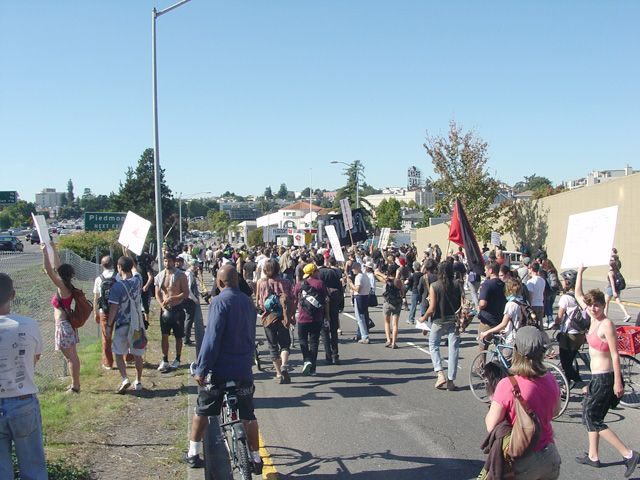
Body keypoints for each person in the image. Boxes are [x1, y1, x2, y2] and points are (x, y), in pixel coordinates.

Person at [184, 266, 263, 474]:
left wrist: (201, 369)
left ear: (219, 283)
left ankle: (193, 453)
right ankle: (256, 458)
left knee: (202, 409)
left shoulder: (219, 302)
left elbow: (212, 339)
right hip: (244, 370)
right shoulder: (248, 302)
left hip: (220, 371)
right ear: (238, 281)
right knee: (248, 414)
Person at [573, 265, 639, 477]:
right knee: (589, 415)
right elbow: (578, 294)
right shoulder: (592, 318)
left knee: (593, 418)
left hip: (605, 379)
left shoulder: (606, 324)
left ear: (603, 305)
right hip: (596, 378)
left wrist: (618, 382)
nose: (593, 308)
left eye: (597, 305)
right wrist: (580, 272)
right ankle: (594, 456)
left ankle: (628, 454)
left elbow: (615, 355)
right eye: (591, 305)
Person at [485, 327, 562, 479]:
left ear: (515, 350)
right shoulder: (551, 379)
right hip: (549, 456)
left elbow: (491, 425)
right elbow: (555, 412)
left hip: (523, 458)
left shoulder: (508, 385)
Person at [0, 273, 47, 480]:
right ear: (13, 295)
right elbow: (34, 360)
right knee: (33, 468)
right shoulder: (28, 324)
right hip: (22, 401)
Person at [41, 240, 81, 393]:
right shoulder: (67, 285)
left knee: (70, 357)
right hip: (67, 325)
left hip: (63, 325)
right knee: (72, 356)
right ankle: (74, 383)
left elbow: (49, 270)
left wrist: (45, 252)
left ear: (61, 275)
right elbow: (56, 268)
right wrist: (53, 249)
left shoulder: (62, 288)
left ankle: (75, 386)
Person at [418, 261, 462, 390]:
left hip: (439, 319)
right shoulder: (457, 284)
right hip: (454, 320)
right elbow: (460, 303)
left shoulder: (435, 285)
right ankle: (451, 380)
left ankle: (439, 372)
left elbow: (432, 308)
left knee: (433, 345)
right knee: (453, 349)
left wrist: (423, 319)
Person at [106, 256, 145, 393]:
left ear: (119, 268)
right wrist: (128, 254)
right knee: (137, 354)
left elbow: (114, 308)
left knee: (118, 352)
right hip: (137, 323)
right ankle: (138, 380)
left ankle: (124, 378)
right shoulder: (138, 280)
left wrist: (109, 325)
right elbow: (135, 269)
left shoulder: (118, 287)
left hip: (122, 324)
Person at [256, 259, 294, 383]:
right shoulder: (286, 282)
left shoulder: (262, 284)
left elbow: (261, 303)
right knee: (285, 344)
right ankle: (284, 364)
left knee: (272, 346)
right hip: (283, 318)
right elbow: (291, 300)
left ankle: (278, 374)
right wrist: (291, 316)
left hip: (269, 318)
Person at [553, 269, 587, 392]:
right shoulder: (581, 297)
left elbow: (560, 317)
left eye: (563, 280)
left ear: (568, 282)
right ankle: (565, 389)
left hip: (569, 335)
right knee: (570, 361)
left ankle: (583, 387)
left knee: (566, 366)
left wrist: (554, 323)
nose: (562, 283)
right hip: (580, 335)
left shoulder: (565, 298)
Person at [154, 252, 190, 371]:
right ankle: (165, 359)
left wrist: (173, 298)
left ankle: (178, 359)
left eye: (169, 261)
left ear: (173, 262)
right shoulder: (160, 276)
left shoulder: (181, 276)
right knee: (164, 335)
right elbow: (157, 294)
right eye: (165, 261)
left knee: (178, 336)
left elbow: (185, 294)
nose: (167, 263)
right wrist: (162, 306)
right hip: (165, 310)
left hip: (177, 309)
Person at [294, 264, 331, 374]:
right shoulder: (320, 284)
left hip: (302, 317)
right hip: (317, 317)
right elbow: (325, 301)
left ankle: (307, 359)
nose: (318, 272)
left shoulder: (299, 284)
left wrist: (292, 315)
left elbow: (294, 300)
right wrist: (327, 316)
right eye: (316, 271)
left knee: (302, 340)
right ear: (312, 272)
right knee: (314, 342)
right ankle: (313, 368)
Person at [479, 278, 526, 362]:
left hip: (512, 339)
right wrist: (507, 329)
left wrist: (487, 332)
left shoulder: (511, 304)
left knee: (502, 362)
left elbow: (503, 324)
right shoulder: (523, 302)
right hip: (522, 336)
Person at [315, 254, 343, 365]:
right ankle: (335, 354)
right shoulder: (332, 272)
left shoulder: (317, 273)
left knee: (324, 330)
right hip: (334, 302)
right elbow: (340, 288)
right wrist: (341, 304)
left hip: (321, 303)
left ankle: (328, 355)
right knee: (334, 329)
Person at [477, 261, 507, 352]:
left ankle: (480, 366)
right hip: (500, 320)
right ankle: (503, 363)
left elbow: (483, 303)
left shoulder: (487, 284)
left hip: (487, 320)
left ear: (491, 270)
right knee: (500, 346)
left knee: (483, 346)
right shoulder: (503, 284)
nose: (485, 271)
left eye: (486, 270)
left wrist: (479, 307)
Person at [93, 255, 117, 370]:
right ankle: (127, 357)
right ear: (113, 264)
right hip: (117, 309)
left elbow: (96, 297)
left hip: (104, 310)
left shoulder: (99, 279)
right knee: (122, 333)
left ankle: (108, 363)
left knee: (106, 336)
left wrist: (95, 313)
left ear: (102, 266)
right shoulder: (118, 276)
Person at [375, 263, 405, 349]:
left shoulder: (385, 281)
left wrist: (383, 275)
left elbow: (376, 272)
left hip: (387, 303)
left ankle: (388, 339)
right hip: (397, 304)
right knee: (395, 324)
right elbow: (403, 293)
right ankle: (394, 343)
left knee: (387, 322)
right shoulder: (398, 281)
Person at [347, 262, 371, 344]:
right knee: (362, 316)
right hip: (365, 296)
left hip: (360, 297)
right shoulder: (365, 276)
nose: (353, 270)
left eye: (353, 269)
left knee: (360, 318)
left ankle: (365, 336)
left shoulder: (359, 277)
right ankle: (360, 335)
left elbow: (357, 289)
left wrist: (351, 284)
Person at [605, 256, 631, 322]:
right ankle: (626, 314)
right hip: (617, 289)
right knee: (619, 302)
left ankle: (605, 316)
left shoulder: (610, 272)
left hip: (611, 289)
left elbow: (612, 282)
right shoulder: (616, 271)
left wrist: (613, 291)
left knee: (606, 302)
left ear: (610, 265)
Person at [526, 261, 546, 329]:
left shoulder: (530, 282)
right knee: (540, 325)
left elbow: (531, 296)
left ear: (531, 269)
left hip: (534, 304)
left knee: (533, 325)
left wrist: (529, 306)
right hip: (541, 303)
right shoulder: (542, 280)